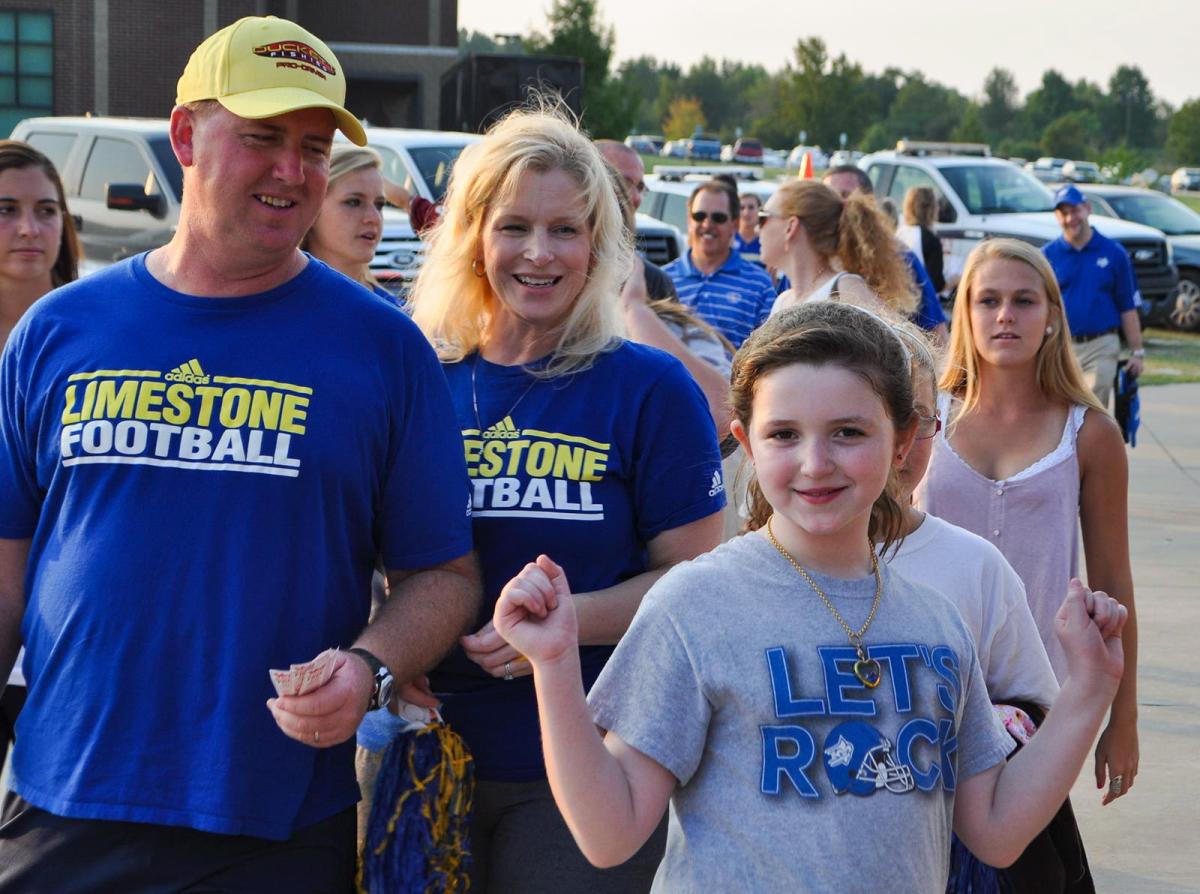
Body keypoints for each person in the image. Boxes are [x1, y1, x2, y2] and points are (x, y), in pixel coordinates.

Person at [0, 16, 479, 890]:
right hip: (62, 797)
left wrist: (371, 668)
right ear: (186, 135)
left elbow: (444, 575)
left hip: (275, 818)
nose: (293, 171)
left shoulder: (382, 348)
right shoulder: (58, 331)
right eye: (263, 138)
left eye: (313, 144)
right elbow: (6, 573)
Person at [491, 300, 1127, 892]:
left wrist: (1088, 693)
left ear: (903, 441)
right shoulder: (696, 603)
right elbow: (610, 832)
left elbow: (997, 831)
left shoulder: (937, 622)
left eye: (848, 432)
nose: (815, 463)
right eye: (784, 435)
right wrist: (554, 665)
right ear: (746, 442)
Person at [409, 104, 726, 892]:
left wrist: (559, 627)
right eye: (514, 226)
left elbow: (694, 584)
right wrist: (387, 648)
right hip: (424, 756)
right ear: (474, 237)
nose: (539, 254)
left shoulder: (648, 388)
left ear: (599, 247)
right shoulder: (420, 375)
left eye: (566, 231)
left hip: (589, 765)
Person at [917, 238, 1138, 809]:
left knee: (1015, 860)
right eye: (987, 300)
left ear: (1052, 317)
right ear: (964, 312)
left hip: (1039, 697)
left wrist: (1123, 716)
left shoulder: (1090, 434)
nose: (1005, 315)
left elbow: (1114, 578)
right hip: (920, 679)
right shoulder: (922, 417)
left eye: (1024, 301)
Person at [0, 140, 81, 773]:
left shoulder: (96, 336)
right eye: (5, 209)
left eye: (46, 209)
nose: (29, 228)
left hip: (64, 645)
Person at [1042, 184, 1145, 408]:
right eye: (1064, 212)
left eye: (1075, 210)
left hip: (1102, 343)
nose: (1071, 218)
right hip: (1060, 345)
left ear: (1087, 209)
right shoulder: (1047, 256)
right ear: (1056, 216)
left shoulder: (1113, 253)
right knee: (1059, 408)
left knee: (1091, 405)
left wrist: (1137, 351)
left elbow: (1127, 305)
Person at [823, 164, 949, 339]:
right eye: (827, 196)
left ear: (868, 203)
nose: (834, 205)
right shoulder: (809, 258)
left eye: (845, 195)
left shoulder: (900, 259)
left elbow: (938, 334)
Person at [759, 179, 916, 318]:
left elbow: (887, 349)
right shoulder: (783, 301)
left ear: (791, 226)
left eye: (763, 218)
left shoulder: (846, 289)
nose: (757, 228)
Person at [662, 179, 777, 348]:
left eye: (718, 218)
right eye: (699, 216)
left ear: (735, 224)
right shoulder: (663, 280)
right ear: (689, 220)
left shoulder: (760, 285)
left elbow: (767, 354)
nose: (707, 224)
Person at [301, 143, 390, 300]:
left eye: (379, 205)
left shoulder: (399, 316)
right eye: (354, 202)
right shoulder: (270, 304)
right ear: (312, 207)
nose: (374, 218)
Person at [900, 186, 945, 294]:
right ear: (931, 208)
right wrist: (953, 281)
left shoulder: (900, 233)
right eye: (936, 204)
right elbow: (935, 284)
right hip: (920, 302)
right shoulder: (931, 239)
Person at [733, 191, 764, 265]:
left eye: (751, 207)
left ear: (759, 211)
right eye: (742, 208)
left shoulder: (766, 242)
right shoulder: (728, 240)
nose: (746, 212)